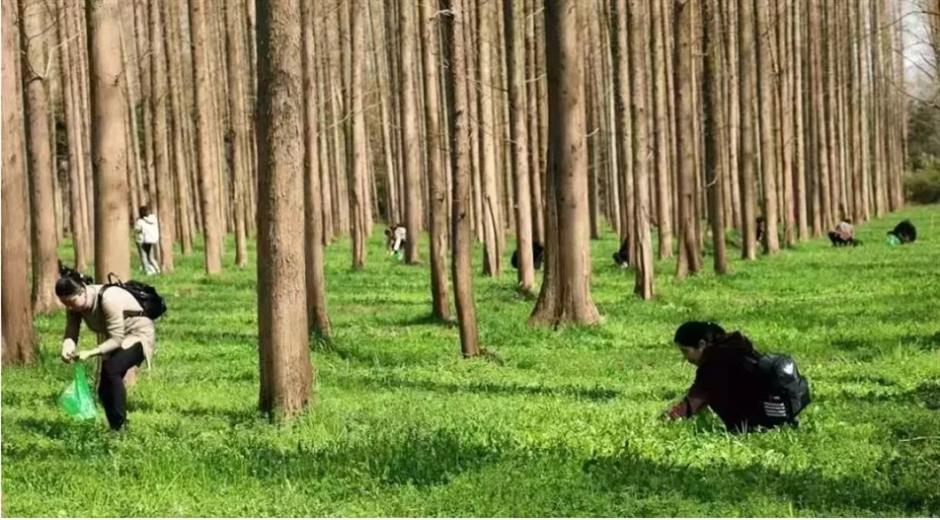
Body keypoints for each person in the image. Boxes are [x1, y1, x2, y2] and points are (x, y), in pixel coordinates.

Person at [57, 267, 156, 430]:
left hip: (138, 334)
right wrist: (66, 348)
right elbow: (71, 332)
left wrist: (91, 352)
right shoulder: (74, 307)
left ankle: (119, 427)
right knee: (104, 390)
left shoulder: (108, 299)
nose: (70, 307)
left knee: (112, 370)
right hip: (114, 338)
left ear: (83, 291)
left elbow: (117, 339)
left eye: (72, 302)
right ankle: (116, 426)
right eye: (65, 304)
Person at [664, 321, 799, 433]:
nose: (685, 358)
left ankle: (745, 428)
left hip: (755, 422)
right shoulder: (737, 349)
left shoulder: (714, 365)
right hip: (778, 413)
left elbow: (695, 399)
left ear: (701, 344)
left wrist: (668, 418)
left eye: (685, 351)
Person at [134, 205, 160, 275]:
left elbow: (137, 229)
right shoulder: (153, 219)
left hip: (142, 241)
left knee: (143, 256)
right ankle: (157, 270)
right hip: (151, 240)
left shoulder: (140, 221)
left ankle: (147, 271)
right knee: (151, 257)